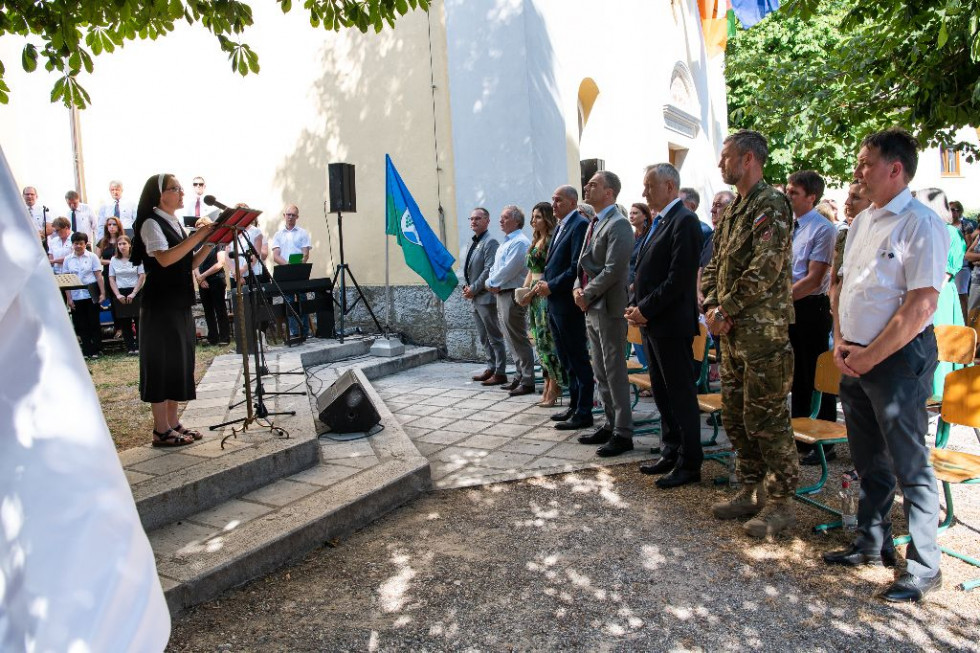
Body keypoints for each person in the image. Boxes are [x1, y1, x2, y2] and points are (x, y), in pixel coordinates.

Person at [823, 128, 948, 603]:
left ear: (895, 169)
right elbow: (841, 288)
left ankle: (923, 564)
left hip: (895, 360)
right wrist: (840, 342)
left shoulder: (920, 223)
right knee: (867, 455)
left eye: (866, 164)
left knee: (909, 461)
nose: (858, 172)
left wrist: (869, 355)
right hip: (854, 354)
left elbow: (920, 306)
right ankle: (871, 541)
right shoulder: (862, 221)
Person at [701, 129, 797, 538]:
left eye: (726, 157)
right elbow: (714, 265)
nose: (721, 164)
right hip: (732, 330)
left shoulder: (771, 203)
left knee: (767, 416)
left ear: (748, 160)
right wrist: (709, 306)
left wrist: (725, 309)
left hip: (762, 332)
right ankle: (749, 488)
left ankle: (780, 503)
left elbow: (766, 267)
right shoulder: (736, 207)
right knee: (737, 413)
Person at [626, 163, 703, 487]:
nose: (644, 193)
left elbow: (678, 278)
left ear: (670, 186)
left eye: (649, 186)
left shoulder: (685, 221)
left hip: (670, 324)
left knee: (680, 394)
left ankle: (689, 461)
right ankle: (670, 449)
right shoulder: (661, 221)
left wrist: (645, 308)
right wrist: (638, 306)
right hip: (654, 323)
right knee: (662, 392)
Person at [131, 173, 218, 447]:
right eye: (175, 189)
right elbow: (166, 259)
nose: (181, 193)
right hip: (159, 304)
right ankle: (160, 429)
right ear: (160, 195)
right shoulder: (150, 223)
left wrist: (210, 242)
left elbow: (189, 263)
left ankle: (173, 422)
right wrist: (200, 235)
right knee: (161, 363)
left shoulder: (174, 223)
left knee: (178, 362)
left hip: (178, 302)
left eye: (181, 188)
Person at [574, 171, 634, 457]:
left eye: (594, 184)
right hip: (591, 306)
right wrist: (577, 288)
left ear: (609, 192)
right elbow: (582, 263)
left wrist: (586, 293)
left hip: (608, 307)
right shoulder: (594, 222)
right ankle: (610, 424)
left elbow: (614, 269)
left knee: (614, 371)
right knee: (600, 370)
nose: (588, 187)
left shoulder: (619, 225)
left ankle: (623, 432)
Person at [785, 170, 838, 466]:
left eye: (794, 193)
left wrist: (779, 300)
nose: (788, 196)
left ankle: (823, 438)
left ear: (811, 197)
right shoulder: (789, 226)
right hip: (789, 305)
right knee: (797, 375)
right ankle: (800, 433)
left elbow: (814, 277)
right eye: (788, 191)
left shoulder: (822, 229)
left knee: (815, 373)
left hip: (810, 307)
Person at [544, 186, 594, 429]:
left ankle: (584, 411)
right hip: (554, 303)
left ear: (573, 202)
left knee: (577, 357)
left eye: (559, 200)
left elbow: (576, 265)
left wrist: (551, 285)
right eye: (553, 200)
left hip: (567, 303)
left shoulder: (579, 225)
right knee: (566, 359)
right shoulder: (561, 225)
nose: (554, 204)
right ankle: (574, 405)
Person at [517, 202, 566, 407]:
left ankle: (554, 387)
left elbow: (550, 270)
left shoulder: (551, 240)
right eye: (533, 216)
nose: (534, 220)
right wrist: (524, 292)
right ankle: (547, 384)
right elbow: (530, 271)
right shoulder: (535, 240)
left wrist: (535, 289)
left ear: (547, 218)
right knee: (539, 340)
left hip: (545, 292)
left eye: (538, 217)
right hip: (534, 294)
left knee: (548, 341)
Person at [918, 188, 965, 396]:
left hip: (939, 296)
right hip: (925, 294)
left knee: (939, 344)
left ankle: (942, 396)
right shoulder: (924, 230)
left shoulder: (949, 232)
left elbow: (945, 274)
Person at [486, 205, 534, 397]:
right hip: (501, 292)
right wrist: (491, 282)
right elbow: (495, 268)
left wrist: (492, 282)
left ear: (516, 221)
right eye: (501, 217)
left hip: (512, 293)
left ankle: (528, 379)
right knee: (509, 337)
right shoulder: (505, 243)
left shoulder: (520, 242)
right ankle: (519, 375)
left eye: (505, 217)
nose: (501, 221)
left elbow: (510, 269)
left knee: (518, 337)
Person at [463, 207, 507, 386]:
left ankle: (501, 371)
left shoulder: (491, 242)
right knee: (483, 336)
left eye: (478, 218)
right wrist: (468, 288)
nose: (474, 221)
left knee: (494, 336)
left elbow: (489, 269)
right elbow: (470, 268)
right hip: (474, 296)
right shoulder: (473, 242)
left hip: (485, 296)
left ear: (487, 221)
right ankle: (491, 367)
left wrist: (473, 288)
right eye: (471, 218)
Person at [271, 204, 313, 337]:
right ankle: (294, 332)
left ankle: (305, 331)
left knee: (302, 300)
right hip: (285, 271)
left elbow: (305, 254)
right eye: (288, 214)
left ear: (297, 217)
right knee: (288, 301)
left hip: (298, 271)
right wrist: (288, 265)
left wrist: (299, 263)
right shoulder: (278, 234)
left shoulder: (302, 233)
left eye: (293, 215)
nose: (290, 217)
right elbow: (276, 256)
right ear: (284, 216)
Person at [62, 232, 105, 359]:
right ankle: (86, 350)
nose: (78, 246)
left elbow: (98, 276)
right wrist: (69, 298)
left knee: (94, 322)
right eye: (76, 244)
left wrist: (102, 293)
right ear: (72, 244)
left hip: (90, 292)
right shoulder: (67, 259)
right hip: (76, 294)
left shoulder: (92, 257)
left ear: (85, 244)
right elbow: (66, 279)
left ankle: (97, 349)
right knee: (82, 324)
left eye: (81, 243)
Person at [108, 235, 145, 355]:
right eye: (119, 244)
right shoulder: (114, 260)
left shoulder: (136, 257)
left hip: (135, 290)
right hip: (120, 291)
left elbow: (141, 276)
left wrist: (134, 293)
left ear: (129, 244)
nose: (122, 246)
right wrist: (117, 294)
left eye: (124, 243)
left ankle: (140, 346)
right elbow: (111, 278)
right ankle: (130, 347)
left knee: (138, 320)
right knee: (125, 322)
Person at [194, 241, 231, 346]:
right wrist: (200, 279)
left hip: (217, 279)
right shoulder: (197, 244)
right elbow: (194, 264)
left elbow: (220, 263)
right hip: (202, 281)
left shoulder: (219, 243)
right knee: (208, 311)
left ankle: (224, 337)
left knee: (220, 309)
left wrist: (203, 275)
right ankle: (213, 338)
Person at [949, 200, 971, 320]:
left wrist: (957, 253)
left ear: (959, 211)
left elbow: (968, 244)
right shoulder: (944, 225)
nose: (951, 212)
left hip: (962, 265)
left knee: (961, 294)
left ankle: (964, 323)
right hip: (947, 265)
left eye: (953, 209)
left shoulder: (965, 225)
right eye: (949, 209)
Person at [627, 202, 653, 288]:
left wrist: (635, 284)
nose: (631, 216)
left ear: (645, 216)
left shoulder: (650, 236)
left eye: (635, 213)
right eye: (630, 213)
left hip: (639, 286)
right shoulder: (631, 236)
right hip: (626, 284)